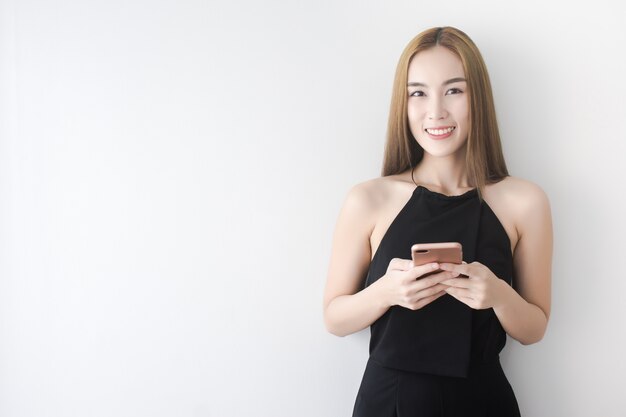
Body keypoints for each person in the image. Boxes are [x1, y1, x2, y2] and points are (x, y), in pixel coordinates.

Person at [323, 26, 552, 417]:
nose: (436, 111)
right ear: (404, 103)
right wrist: (387, 292)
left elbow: (534, 328)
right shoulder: (369, 198)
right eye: (418, 92)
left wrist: (496, 294)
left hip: (482, 401)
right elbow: (334, 317)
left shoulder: (524, 201)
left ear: (477, 97)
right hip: (388, 401)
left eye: (454, 90)